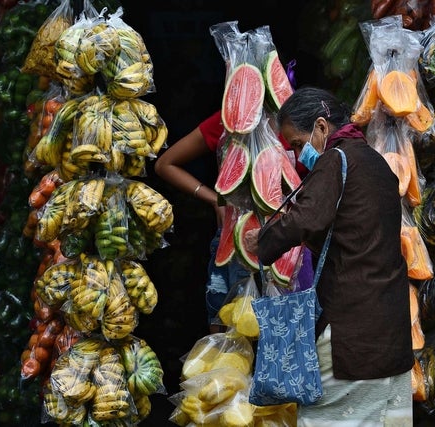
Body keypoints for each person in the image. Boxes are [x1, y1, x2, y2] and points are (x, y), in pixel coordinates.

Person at [244, 87, 414, 426]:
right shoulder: (375, 162)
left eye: (296, 144)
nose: (297, 156)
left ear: (322, 127)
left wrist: (262, 241)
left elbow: (305, 218)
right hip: (391, 333)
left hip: (353, 334)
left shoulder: (336, 160)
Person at [154, 110, 252, 334]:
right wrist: (215, 199)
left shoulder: (295, 121)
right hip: (231, 240)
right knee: (222, 330)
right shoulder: (227, 120)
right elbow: (165, 164)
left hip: (282, 244)